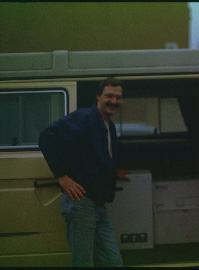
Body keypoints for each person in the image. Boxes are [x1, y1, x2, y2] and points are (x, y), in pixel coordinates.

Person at [39, 77, 130, 267]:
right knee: (83, 263)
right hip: (81, 203)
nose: (114, 101)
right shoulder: (84, 117)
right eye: (109, 96)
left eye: (118, 97)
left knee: (113, 262)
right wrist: (62, 176)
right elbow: (47, 136)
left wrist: (113, 172)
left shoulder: (109, 125)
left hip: (98, 203)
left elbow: (93, 158)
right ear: (98, 96)